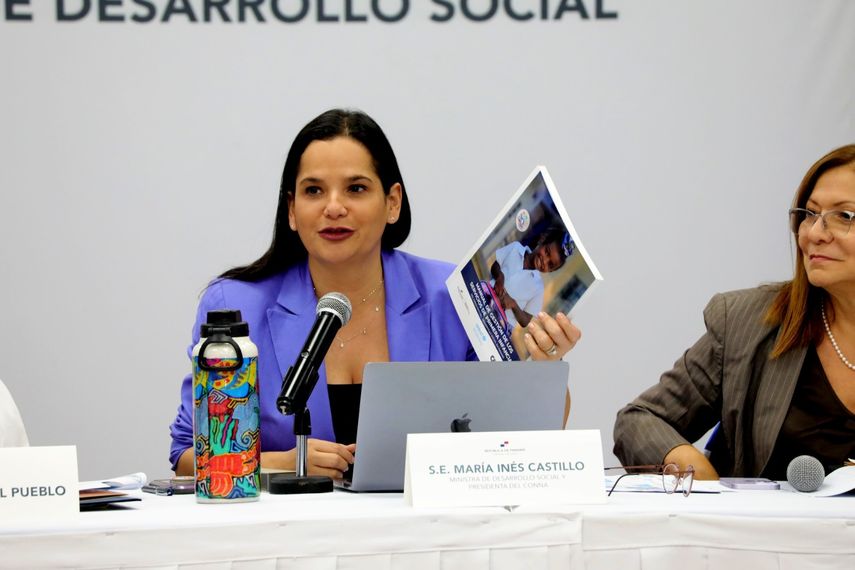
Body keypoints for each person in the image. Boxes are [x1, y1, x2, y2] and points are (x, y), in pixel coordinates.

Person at [170, 109, 582, 479]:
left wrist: (542, 367)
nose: (334, 207)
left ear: (392, 203)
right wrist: (283, 462)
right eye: (314, 191)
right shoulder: (235, 305)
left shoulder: (454, 297)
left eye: (356, 189)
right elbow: (188, 454)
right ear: (292, 210)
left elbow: (519, 440)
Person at [613, 144, 855, 480]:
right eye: (810, 214)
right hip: (767, 532)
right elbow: (640, 421)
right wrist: (693, 469)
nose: (814, 233)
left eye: (844, 216)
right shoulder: (748, 321)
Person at [490, 229, 575, 328]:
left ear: (551, 271)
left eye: (550, 265)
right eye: (547, 252)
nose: (545, 261)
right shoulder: (515, 248)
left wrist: (513, 304)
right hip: (486, 295)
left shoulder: (538, 288)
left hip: (500, 325)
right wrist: (500, 277)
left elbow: (525, 321)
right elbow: (495, 266)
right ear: (542, 240)